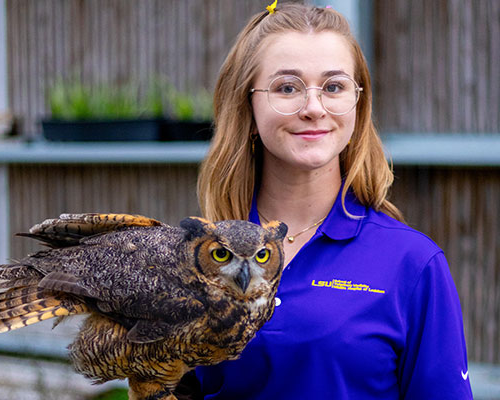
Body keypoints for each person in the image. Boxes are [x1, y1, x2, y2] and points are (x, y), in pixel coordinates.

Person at [190, 3, 473, 399]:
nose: (313, 108)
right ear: (248, 107)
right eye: (287, 87)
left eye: (334, 86)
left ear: (358, 103)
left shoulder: (412, 264)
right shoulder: (197, 259)